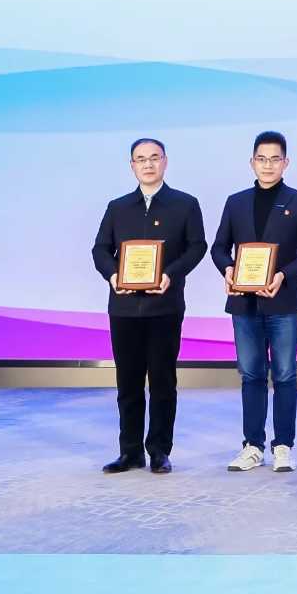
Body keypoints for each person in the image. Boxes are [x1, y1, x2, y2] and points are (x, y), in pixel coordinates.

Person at [88, 137, 207, 474]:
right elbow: (100, 249)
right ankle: (129, 452)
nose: (148, 164)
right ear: (132, 166)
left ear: (165, 161)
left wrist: (170, 274)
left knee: (162, 382)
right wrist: (113, 275)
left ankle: (158, 450)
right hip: (123, 308)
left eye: (154, 157)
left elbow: (197, 247)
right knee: (127, 383)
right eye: (141, 159)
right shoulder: (118, 207)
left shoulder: (185, 204)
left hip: (164, 307)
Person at [211, 130, 297, 473]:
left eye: (275, 159)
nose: (268, 165)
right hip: (243, 304)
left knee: (285, 374)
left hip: (282, 300)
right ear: (252, 162)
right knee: (251, 374)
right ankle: (253, 446)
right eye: (262, 159)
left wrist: (284, 275)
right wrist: (228, 269)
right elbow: (218, 247)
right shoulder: (236, 202)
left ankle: (283, 445)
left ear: (286, 163)